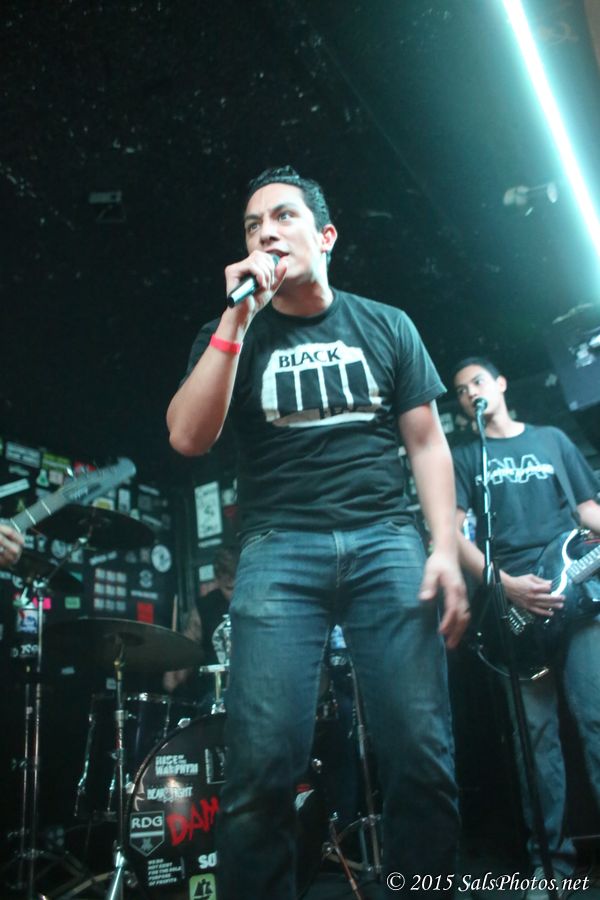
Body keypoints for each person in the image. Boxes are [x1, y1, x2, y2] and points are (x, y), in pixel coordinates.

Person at [167, 165, 469, 898]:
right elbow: (187, 437)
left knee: (420, 755)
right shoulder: (232, 330)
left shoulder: (386, 324)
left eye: (283, 217)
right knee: (261, 769)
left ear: (326, 235)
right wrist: (235, 321)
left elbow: (427, 444)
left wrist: (443, 548)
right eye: (252, 226)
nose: (265, 232)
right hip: (279, 547)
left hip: (385, 537)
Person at [451, 356, 600, 899]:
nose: (472, 392)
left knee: (598, 720)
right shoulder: (465, 457)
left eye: (478, 382)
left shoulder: (551, 440)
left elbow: (587, 510)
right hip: (514, 610)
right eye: (461, 390)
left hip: (576, 598)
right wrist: (505, 585)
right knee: (535, 742)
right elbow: (453, 536)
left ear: (501, 382)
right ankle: (550, 865)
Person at [163, 545, 238, 708]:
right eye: (229, 588)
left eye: (239, 587)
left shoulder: (257, 603)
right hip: (213, 696)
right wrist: (175, 672)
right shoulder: (205, 607)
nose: (234, 595)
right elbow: (188, 649)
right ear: (217, 580)